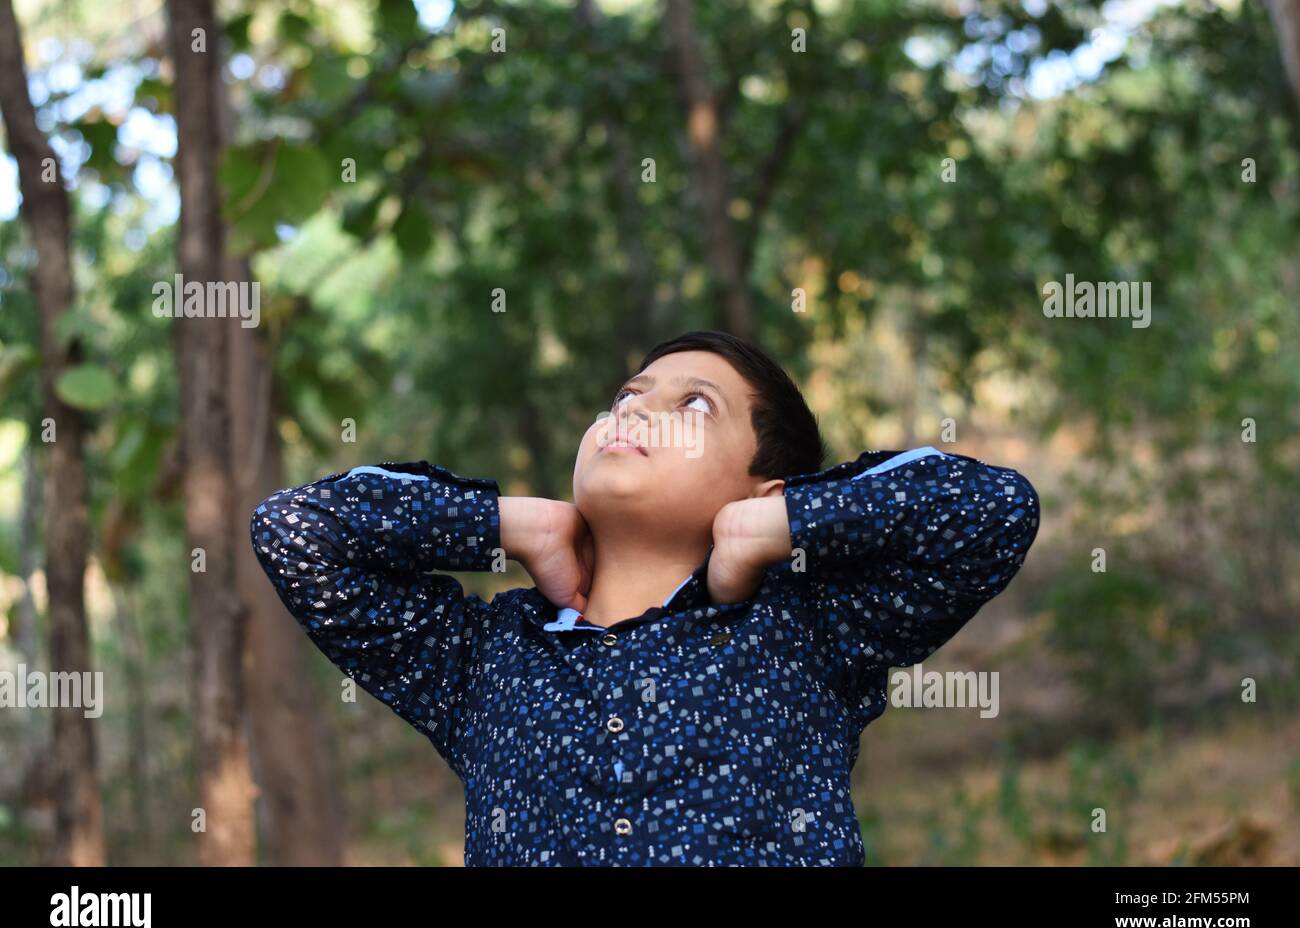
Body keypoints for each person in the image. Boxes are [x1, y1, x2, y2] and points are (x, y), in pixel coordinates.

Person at [249, 329, 1040, 865]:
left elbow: (991, 512)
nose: (631, 410)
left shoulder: (810, 627)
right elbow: (295, 531)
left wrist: (779, 528)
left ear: (762, 491)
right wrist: (504, 523)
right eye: (626, 396)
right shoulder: (483, 659)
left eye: (693, 405)